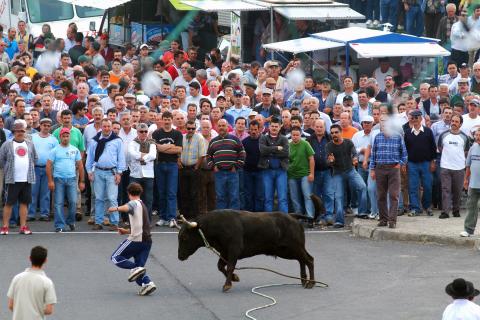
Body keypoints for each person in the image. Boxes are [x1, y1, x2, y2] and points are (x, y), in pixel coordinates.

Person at [108, 182, 156, 296]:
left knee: (115, 257)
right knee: (140, 269)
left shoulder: (133, 203)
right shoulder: (143, 205)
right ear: (141, 192)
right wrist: (126, 231)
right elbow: (141, 226)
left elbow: (127, 207)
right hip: (147, 242)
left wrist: (115, 208)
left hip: (135, 240)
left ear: (129, 193)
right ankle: (148, 283)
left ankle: (135, 268)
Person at [86, 119, 126, 231]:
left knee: (112, 198)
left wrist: (119, 173)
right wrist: (89, 171)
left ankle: (114, 222)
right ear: (101, 127)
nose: (107, 128)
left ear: (111, 127)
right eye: (104, 126)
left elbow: (121, 158)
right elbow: (89, 158)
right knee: (98, 198)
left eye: (109, 126)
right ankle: (98, 221)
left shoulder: (117, 141)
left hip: (112, 172)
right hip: (97, 172)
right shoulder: (94, 141)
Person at [370, 114, 408, 229]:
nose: (383, 123)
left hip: (393, 169)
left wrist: (399, 164)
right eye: (381, 121)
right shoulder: (377, 137)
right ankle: (383, 219)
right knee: (381, 195)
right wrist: (372, 169)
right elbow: (373, 154)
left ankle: (392, 221)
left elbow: (405, 154)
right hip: (380, 168)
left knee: (393, 195)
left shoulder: (397, 136)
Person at [0, 120, 37, 235]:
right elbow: (1, 160)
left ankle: (23, 227)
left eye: (22, 130)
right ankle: (5, 227)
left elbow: (35, 158)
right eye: (17, 130)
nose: (20, 132)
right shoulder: (7, 144)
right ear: (13, 131)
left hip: (26, 179)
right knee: (8, 203)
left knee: (24, 203)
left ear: (25, 131)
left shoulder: (30, 144)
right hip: (12, 179)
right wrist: (7, 170)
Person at [326, 124, 367, 228]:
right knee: (338, 197)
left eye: (336, 132)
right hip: (337, 173)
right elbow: (329, 161)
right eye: (332, 133)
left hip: (350, 170)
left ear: (341, 132)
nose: (334, 134)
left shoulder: (348, 142)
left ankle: (362, 212)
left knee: (362, 187)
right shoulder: (329, 146)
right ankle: (339, 221)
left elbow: (354, 153)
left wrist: (354, 159)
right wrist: (330, 161)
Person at [46, 127, 85, 232]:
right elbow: (49, 166)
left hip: (72, 179)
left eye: (67, 136)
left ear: (69, 137)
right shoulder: (54, 150)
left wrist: (82, 181)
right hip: (58, 179)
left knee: (73, 202)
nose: (65, 138)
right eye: (63, 136)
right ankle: (59, 225)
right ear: (60, 137)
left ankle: (71, 222)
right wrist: (50, 181)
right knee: (58, 203)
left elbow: (80, 166)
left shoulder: (74, 149)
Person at [7, 246, 57, 319]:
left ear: (30, 258)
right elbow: (49, 310)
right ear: (45, 260)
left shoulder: (17, 278)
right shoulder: (47, 282)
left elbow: (11, 306)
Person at [403, 109, 437, 217]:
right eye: (412, 118)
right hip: (412, 164)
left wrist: (432, 162)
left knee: (427, 186)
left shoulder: (428, 131)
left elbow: (433, 147)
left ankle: (427, 206)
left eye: (417, 118)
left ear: (421, 119)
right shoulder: (407, 133)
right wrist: (405, 163)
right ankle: (415, 208)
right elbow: (405, 149)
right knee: (413, 187)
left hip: (426, 163)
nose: (415, 120)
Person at [152, 111, 183, 227]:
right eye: (165, 119)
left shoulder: (177, 134)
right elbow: (155, 148)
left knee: (171, 192)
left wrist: (162, 147)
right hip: (160, 164)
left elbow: (179, 150)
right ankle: (163, 217)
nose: (166, 121)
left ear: (172, 120)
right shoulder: (156, 133)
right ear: (162, 120)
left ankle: (171, 218)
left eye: (169, 119)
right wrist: (170, 146)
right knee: (161, 192)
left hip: (172, 165)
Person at [207, 119, 245, 209]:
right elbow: (208, 156)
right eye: (219, 126)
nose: (221, 128)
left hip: (233, 172)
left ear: (227, 126)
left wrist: (236, 166)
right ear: (216, 127)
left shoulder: (235, 139)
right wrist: (213, 166)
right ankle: (222, 219)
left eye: (223, 125)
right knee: (220, 197)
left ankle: (234, 219)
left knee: (234, 196)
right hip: (219, 173)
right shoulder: (213, 141)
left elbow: (242, 153)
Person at [438, 114, 470, 219]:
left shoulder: (465, 137)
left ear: (460, 124)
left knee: (457, 191)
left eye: (456, 122)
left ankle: (456, 211)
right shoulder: (443, 135)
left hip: (459, 168)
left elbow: (466, 151)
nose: (454, 123)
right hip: (445, 167)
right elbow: (440, 148)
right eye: (452, 121)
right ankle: (445, 212)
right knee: (445, 190)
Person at [28, 118, 58, 222]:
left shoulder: (54, 139)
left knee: (45, 193)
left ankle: (44, 214)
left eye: (48, 126)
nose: (46, 127)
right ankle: (30, 214)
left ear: (50, 127)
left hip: (48, 169)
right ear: (40, 126)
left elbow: (56, 155)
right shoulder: (32, 137)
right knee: (32, 192)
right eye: (44, 125)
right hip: (34, 168)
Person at [259, 117, 289, 213]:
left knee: (282, 198)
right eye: (272, 126)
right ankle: (268, 221)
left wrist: (270, 150)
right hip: (267, 171)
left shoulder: (284, 139)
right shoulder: (263, 137)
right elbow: (262, 150)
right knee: (268, 198)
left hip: (281, 171)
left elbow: (286, 153)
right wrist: (276, 148)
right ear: (269, 126)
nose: (274, 128)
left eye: (276, 126)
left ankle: (284, 220)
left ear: (280, 127)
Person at [128, 123, 156, 220]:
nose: (144, 133)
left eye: (145, 131)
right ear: (137, 132)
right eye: (141, 131)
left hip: (148, 174)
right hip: (135, 174)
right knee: (134, 199)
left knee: (148, 199)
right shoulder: (132, 143)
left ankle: (147, 219)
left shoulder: (152, 143)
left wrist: (140, 157)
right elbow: (132, 155)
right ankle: (134, 219)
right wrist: (145, 156)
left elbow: (153, 156)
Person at [288, 126, 315, 226]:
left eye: (297, 135)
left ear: (300, 135)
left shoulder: (305, 144)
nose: (295, 137)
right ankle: (298, 217)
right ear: (291, 135)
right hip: (292, 174)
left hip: (304, 174)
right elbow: (287, 160)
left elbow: (311, 159)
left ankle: (310, 217)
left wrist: (311, 173)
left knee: (307, 196)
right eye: (293, 135)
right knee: (294, 197)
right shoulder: (288, 145)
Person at [178, 120, 206, 218]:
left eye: (193, 128)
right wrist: (178, 161)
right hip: (183, 168)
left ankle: (194, 215)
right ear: (185, 127)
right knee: (183, 192)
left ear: (195, 128)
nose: (190, 130)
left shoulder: (199, 138)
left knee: (195, 192)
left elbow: (202, 155)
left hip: (194, 168)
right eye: (189, 128)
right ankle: (185, 214)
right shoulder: (182, 137)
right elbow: (178, 151)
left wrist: (196, 167)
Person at [461, 128, 480, 237]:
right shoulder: (473, 148)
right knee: (471, 207)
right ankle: (468, 230)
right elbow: (468, 165)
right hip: (473, 184)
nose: (477, 137)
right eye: (476, 135)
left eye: (479, 135)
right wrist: (465, 179)